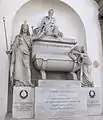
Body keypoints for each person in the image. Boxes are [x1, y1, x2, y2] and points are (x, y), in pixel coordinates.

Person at [8, 21, 34, 87]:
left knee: (27, 67)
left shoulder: (29, 37)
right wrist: (10, 50)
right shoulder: (18, 37)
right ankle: (18, 82)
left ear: (27, 29)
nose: (24, 29)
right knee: (18, 67)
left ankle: (28, 81)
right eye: (23, 28)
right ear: (21, 29)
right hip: (19, 52)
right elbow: (14, 45)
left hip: (26, 54)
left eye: (25, 28)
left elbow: (37, 37)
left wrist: (43, 32)